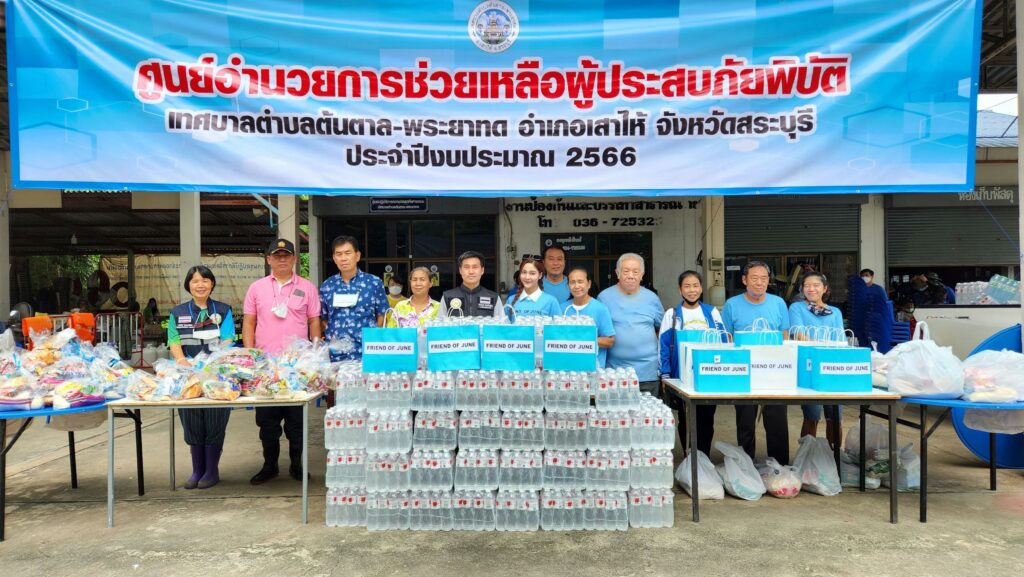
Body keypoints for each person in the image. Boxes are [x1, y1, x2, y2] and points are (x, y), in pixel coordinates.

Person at [244, 239, 322, 485]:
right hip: (266, 366)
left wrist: (314, 355)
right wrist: (250, 355)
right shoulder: (256, 288)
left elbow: (314, 321)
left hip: (297, 367)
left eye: (286, 255)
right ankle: (270, 466)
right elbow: (249, 322)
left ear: (294, 259)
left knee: (296, 422)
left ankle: (297, 465)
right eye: (276, 255)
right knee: (267, 421)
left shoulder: (307, 287)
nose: (282, 259)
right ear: (269, 259)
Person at [168, 266, 235, 489]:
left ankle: (211, 470)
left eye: (205, 280)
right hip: (188, 375)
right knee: (192, 419)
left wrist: (212, 362)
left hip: (216, 373)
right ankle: (197, 469)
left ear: (212, 284)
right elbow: (174, 340)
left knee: (215, 419)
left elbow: (228, 339)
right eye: (195, 281)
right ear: (188, 285)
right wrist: (182, 361)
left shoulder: (223, 310)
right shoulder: (178, 312)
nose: (200, 285)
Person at [721, 261, 792, 464]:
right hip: (744, 371)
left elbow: (785, 336)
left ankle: (780, 466)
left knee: (777, 420)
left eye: (763, 278)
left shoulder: (778, 303)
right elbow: (727, 338)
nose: (759, 283)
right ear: (744, 280)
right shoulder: (731, 305)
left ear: (768, 281)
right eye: (754, 278)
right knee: (745, 421)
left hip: (774, 371)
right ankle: (746, 465)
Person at [658, 271, 726, 455]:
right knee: (686, 419)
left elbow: (723, 342)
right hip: (681, 377)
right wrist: (665, 374)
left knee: (706, 419)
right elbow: (664, 346)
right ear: (680, 290)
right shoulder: (672, 315)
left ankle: (703, 458)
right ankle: (689, 457)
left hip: (709, 376)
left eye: (695, 285)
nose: (692, 290)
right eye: (687, 286)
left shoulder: (711, 312)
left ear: (701, 288)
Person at [789, 272, 845, 447]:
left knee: (835, 416)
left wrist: (819, 345)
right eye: (807, 286)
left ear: (825, 289)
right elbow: (799, 334)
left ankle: (834, 455)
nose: (811, 289)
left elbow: (841, 340)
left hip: (833, 367)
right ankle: (807, 454)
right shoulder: (797, 308)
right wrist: (825, 345)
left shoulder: (835, 312)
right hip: (809, 368)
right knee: (811, 414)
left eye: (816, 285)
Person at [598, 253, 664, 398]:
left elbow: (662, 329)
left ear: (642, 275)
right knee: (616, 411)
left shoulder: (652, 298)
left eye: (635, 272)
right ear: (617, 273)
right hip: (615, 372)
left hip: (648, 372)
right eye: (626, 271)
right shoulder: (604, 297)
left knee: (648, 411)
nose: (630, 276)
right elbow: (599, 331)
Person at [320, 235, 389, 363]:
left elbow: (382, 315)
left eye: (348, 253)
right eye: (339, 254)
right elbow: (323, 319)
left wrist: (373, 339)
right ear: (334, 258)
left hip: (366, 353)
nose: (343, 258)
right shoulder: (327, 286)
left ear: (357, 256)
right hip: (336, 355)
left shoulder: (373, 283)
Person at [564, 267, 615, 368]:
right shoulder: (562, 308)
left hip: (593, 369)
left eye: (580, 282)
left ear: (589, 284)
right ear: (568, 286)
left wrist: (581, 340)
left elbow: (609, 341)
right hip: (567, 368)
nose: (576, 286)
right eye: (572, 282)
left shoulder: (600, 308)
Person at [440, 251, 505, 318]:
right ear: (460, 270)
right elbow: (439, 322)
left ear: (482, 270)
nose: (471, 272)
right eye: (466, 267)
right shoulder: (447, 296)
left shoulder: (493, 297)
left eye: (475, 267)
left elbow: (501, 323)